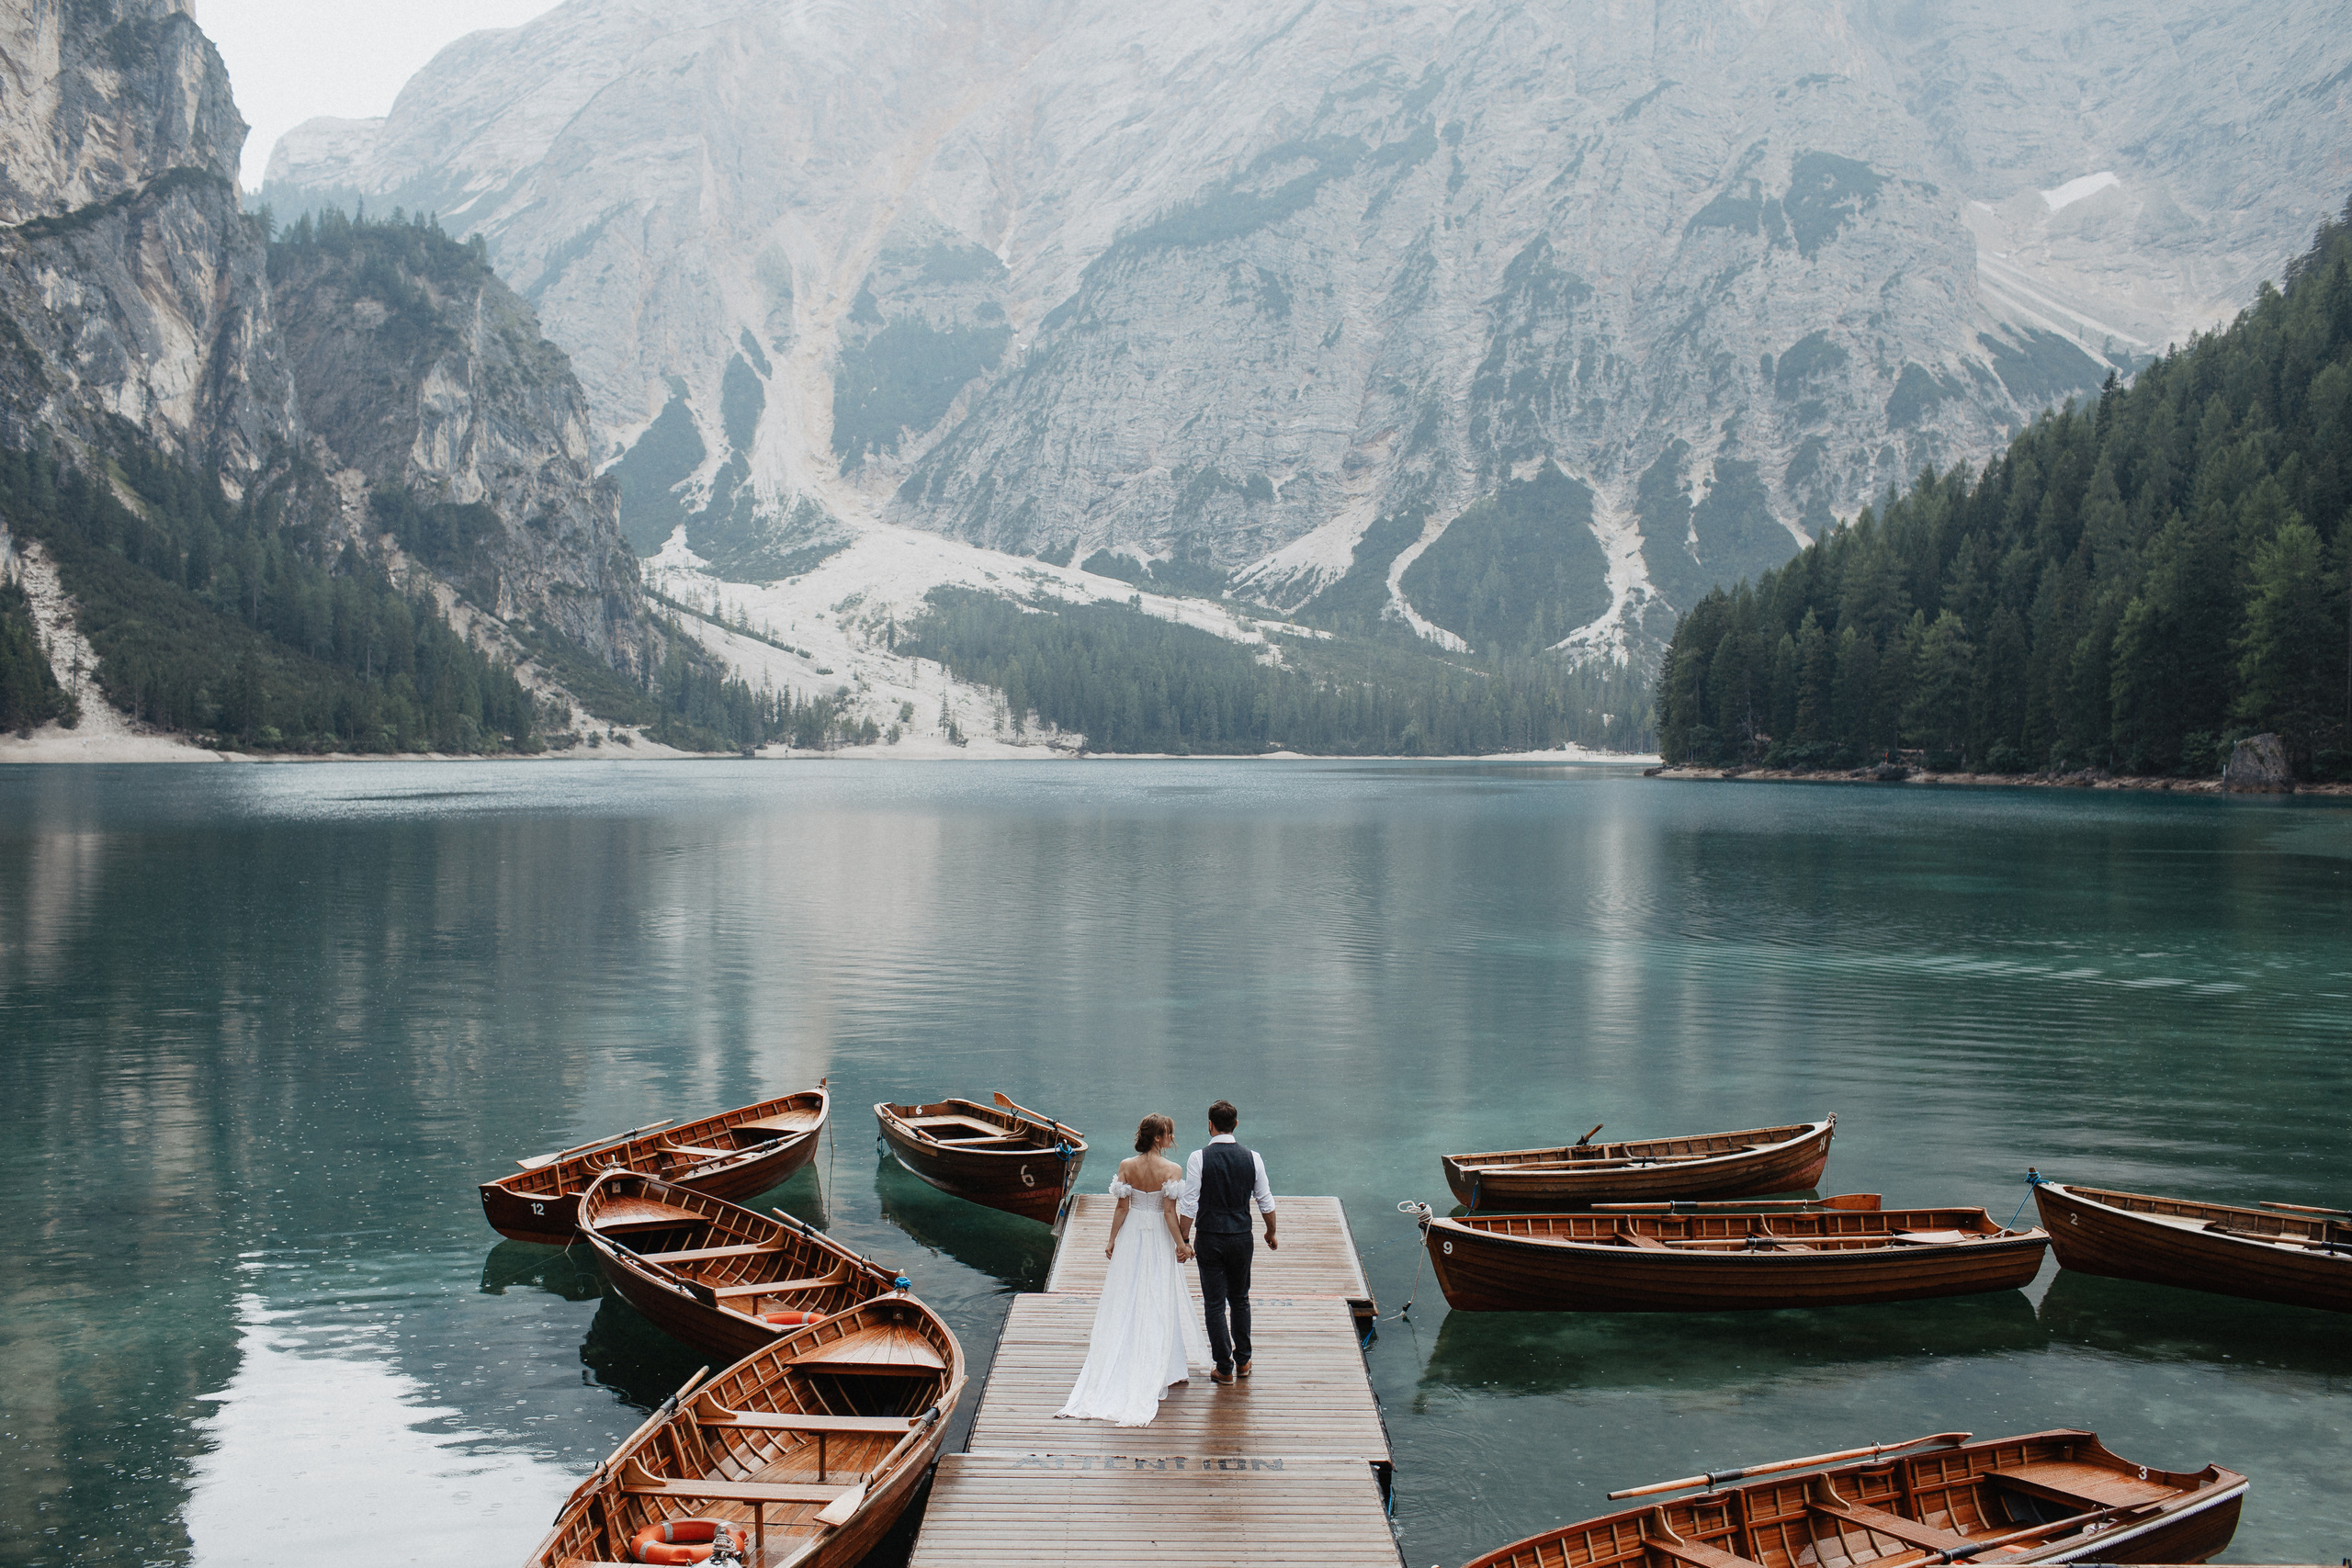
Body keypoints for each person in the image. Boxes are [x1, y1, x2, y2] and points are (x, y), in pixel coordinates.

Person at [1056, 1113, 1211, 1425]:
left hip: (1131, 1234)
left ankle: (1132, 1357)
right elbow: (1169, 1213)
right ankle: (1164, 1366)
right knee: (1159, 1294)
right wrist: (1181, 1244)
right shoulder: (1172, 1169)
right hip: (1158, 1235)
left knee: (1127, 1293)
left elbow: (1122, 1207)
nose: (1172, 1138)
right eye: (1169, 1133)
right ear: (1158, 1137)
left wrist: (1112, 1239)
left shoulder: (1127, 1165)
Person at [1176, 1099, 1276, 1385]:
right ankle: (1243, 1361)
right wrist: (1271, 1232)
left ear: (1210, 1125)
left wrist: (1184, 1238)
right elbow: (1265, 1200)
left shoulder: (1198, 1158)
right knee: (1240, 1298)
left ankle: (1224, 1367)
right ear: (1236, 1124)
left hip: (1210, 1237)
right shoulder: (1253, 1157)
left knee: (1214, 1304)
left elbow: (1190, 1203)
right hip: (1241, 1237)